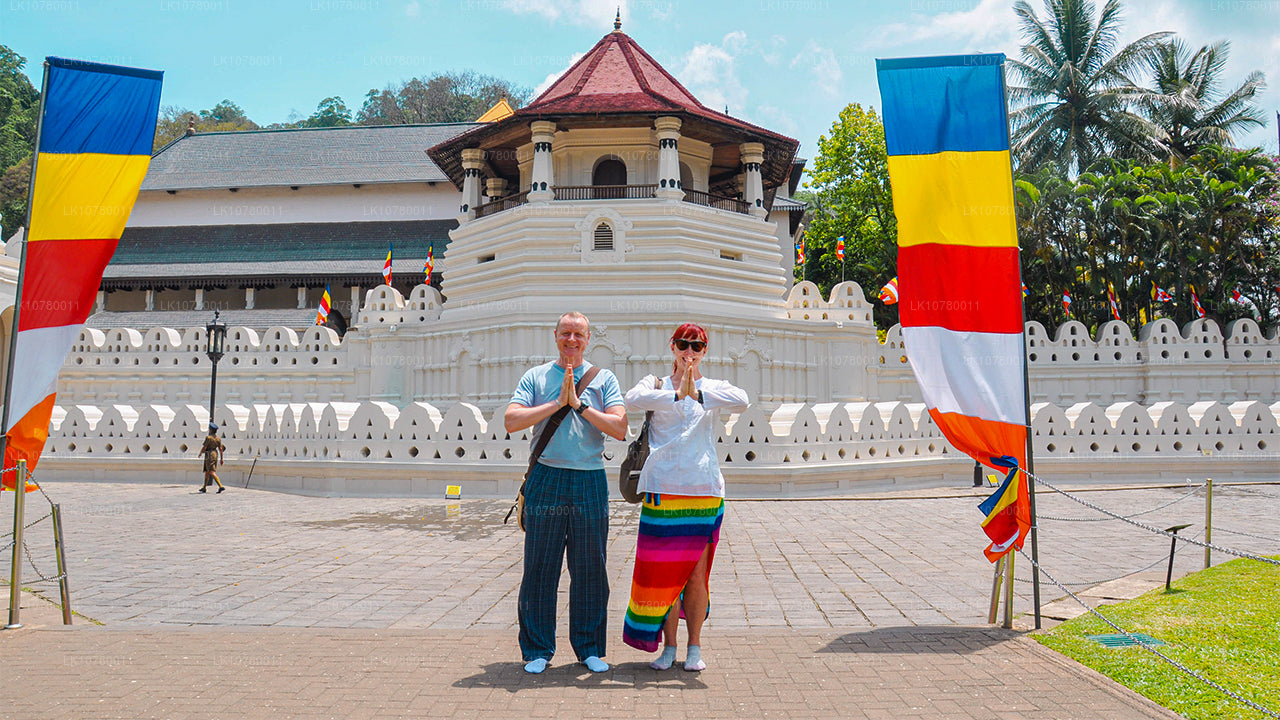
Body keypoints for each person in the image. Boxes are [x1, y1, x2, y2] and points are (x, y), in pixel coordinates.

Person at [504, 311, 628, 674]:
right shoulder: (536, 377)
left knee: (591, 566)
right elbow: (512, 420)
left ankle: (589, 647)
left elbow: (620, 428)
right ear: (555, 335)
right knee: (541, 565)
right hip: (547, 476)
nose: (572, 340)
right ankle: (538, 649)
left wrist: (580, 404)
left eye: (579, 334)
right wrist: (557, 403)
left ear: (588, 339)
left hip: (589, 478)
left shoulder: (603, 378)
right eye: (566, 334)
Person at [621, 323, 748, 672]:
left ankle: (694, 645)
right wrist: (677, 395)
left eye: (696, 346)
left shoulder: (714, 388)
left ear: (705, 351)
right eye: (683, 345)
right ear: (672, 347)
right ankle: (669, 646)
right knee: (663, 575)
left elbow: (743, 401)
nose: (689, 352)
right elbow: (631, 400)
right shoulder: (656, 384)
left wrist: (698, 395)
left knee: (694, 573)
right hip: (663, 490)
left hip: (702, 490)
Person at [199, 423, 226, 493]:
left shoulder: (208, 438)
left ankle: (220, 486)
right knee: (207, 471)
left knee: (211, 471)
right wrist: (221, 459)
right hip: (215, 454)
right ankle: (204, 487)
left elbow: (204, 447)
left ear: (210, 430)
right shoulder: (218, 439)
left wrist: (200, 453)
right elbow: (220, 449)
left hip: (209, 454)